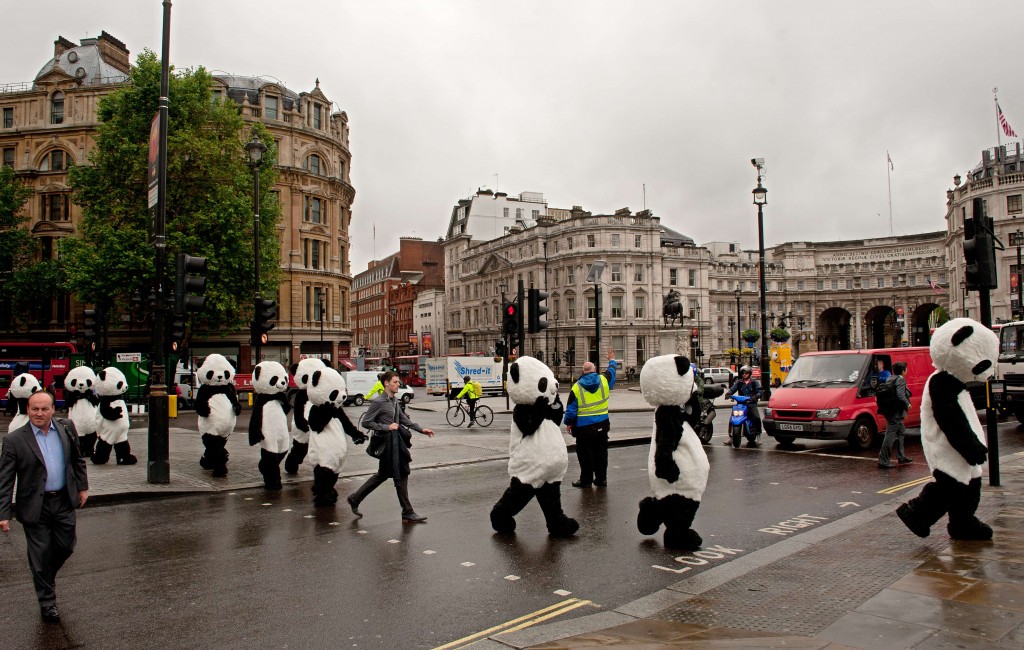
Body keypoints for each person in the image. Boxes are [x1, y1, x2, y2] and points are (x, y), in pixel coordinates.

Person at [0, 390, 89, 623]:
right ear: (27, 409)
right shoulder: (14, 440)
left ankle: (44, 576)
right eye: (34, 409)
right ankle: (47, 603)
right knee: (39, 555)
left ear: (53, 409)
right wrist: (4, 513)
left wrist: (82, 487)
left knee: (67, 545)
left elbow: (77, 460)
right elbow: (5, 479)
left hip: (62, 499)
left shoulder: (66, 428)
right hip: (34, 505)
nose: (39, 413)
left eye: (44, 409)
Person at [348, 371, 435, 522]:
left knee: (388, 474)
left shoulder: (394, 400)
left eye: (398, 382)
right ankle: (407, 511)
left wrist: (421, 429)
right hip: (388, 444)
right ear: (386, 383)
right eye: (395, 382)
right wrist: (386, 427)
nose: (398, 384)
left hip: (396, 442)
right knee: (400, 473)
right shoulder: (379, 402)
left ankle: (355, 499)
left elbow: (403, 420)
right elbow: (366, 422)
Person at [563, 349, 617, 488]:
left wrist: (569, 423)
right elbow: (612, 371)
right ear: (594, 370)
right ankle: (601, 479)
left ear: (583, 371)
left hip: (584, 427)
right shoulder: (604, 380)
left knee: (585, 454)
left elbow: (571, 408)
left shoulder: (577, 387)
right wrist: (611, 359)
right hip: (602, 424)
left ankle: (586, 480)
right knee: (601, 453)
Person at [878, 361, 913, 468]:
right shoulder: (901, 380)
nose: (907, 370)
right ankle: (883, 461)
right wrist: (908, 405)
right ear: (903, 370)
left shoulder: (890, 378)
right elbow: (901, 395)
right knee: (890, 435)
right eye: (906, 368)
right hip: (895, 413)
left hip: (889, 410)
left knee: (901, 431)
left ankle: (901, 456)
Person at [725, 365, 762, 445]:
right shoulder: (739, 382)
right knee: (732, 417)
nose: (744, 374)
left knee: (757, 417)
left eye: (746, 373)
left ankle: (758, 435)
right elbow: (733, 389)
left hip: (751, 404)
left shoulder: (754, 382)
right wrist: (728, 393)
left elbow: (759, 392)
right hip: (740, 405)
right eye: (743, 373)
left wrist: (756, 396)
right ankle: (731, 437)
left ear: (749, 374)